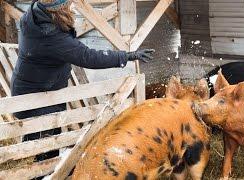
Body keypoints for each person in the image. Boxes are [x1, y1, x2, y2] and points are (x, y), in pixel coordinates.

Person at [10, 0, 155, 161]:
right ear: (58, 10)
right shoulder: (51, 37)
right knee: (44, 152)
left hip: (31, 91)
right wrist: (128, 56)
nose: (72, 8)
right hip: (38, 101)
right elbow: (89, 57)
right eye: (68, 5)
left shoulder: (33, 16)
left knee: (34, 144)